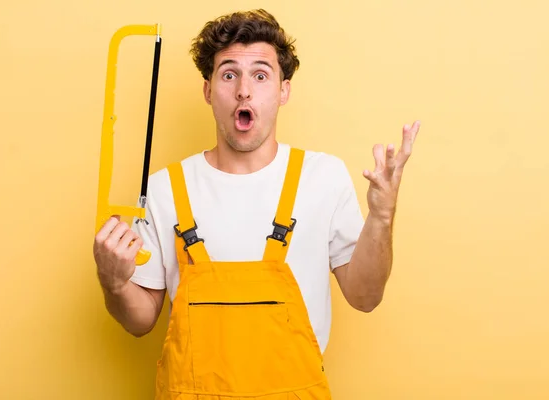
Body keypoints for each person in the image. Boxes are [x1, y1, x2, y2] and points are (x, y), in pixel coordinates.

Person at [93, 8, 420, 399]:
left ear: (283, 90)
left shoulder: (323, 178)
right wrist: (113, 282)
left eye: (261, 75)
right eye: (229, 74)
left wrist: (382, 217)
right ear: (208, 89)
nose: (244, 90)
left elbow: (365, 297)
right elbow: (140, 320)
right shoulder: (165, 189)